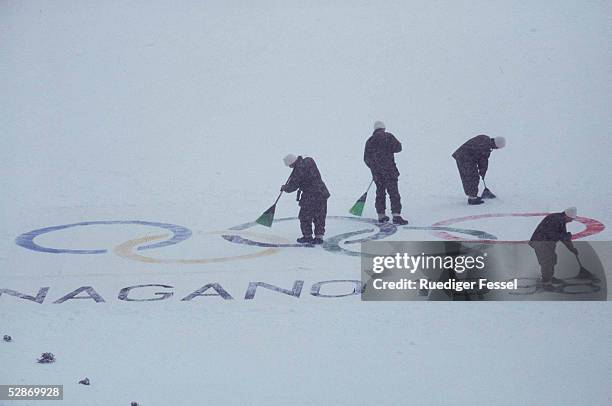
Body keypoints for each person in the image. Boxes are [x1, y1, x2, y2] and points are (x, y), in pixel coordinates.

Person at [363, 121, 408, 225]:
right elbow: (399, 148)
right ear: (384, 128)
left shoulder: (370, 141)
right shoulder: (389, 136)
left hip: (377, 173)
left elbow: (366, 158)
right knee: (393, 193)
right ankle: (396, 215)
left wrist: (374, 168)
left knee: (380, 193)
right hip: (390, 171)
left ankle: (381, 215)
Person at [281, 154, 330, 244]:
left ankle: (307, 236)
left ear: (291, 164)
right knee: (319, 215)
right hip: (322, 192)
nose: (290, 168)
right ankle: (319, 237)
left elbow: (293, 186)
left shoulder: (298, 171)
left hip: (310, 196)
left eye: (290, 166)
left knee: (305, 216)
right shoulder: (309, 161)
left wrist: (285, 188)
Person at [528, 207, 579, 286]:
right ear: (567, 216)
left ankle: (549, 277)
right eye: (571, 219)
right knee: (547, 261)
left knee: (551, 259)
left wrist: (572, 248)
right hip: (540, 241)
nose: (572, 221)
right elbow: (551, 233)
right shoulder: (556, 219)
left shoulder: (561, 220)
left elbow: (564, 238)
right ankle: (545, 281)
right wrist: (564, 236)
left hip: (546, 242)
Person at [452, 134, 506, 205]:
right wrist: (482, 172)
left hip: (462, 155)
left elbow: (479, 156)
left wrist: (481, 170)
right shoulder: (486, 147)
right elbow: (483, 161)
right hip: (465, 158)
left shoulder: (484, 138)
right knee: (472, 177)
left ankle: (472, 196)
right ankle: (472, 199)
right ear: (496, 145)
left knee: (468, 176)